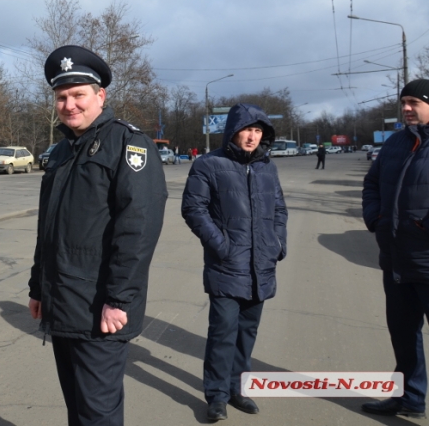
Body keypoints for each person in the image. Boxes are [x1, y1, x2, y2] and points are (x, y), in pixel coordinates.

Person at [28, 45, 168, 426]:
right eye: (61, 97)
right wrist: (38, 288)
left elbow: (137, 230)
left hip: (101, 310)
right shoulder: (60, 152)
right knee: (77, 408)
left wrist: (119, 299)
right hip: (62, 303)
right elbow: (48, 230)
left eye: (78, 95)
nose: (69, 105)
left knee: (98, 415)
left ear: (100, 96)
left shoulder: (128, 144)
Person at [181, 103, 288, 421]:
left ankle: (238, 389)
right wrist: (221, 246)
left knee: (247, 332)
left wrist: (277, 244)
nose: (253, 136)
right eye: (247, 129)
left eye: (258, 131)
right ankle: (216, 396)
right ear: (233, 131)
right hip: (226, 265)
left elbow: (280, 209)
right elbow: (193, 208)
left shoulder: (268, 167)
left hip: (261, 266)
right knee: (223, 332)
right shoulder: (208, 165)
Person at [361, 78, 429, 419]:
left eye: (414, 102)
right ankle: (409, 398)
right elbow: (372, 182)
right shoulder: (395, 143)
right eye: (403, 101)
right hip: (397, 260)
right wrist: (377, 219)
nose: (406, 108)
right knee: (404, 336)